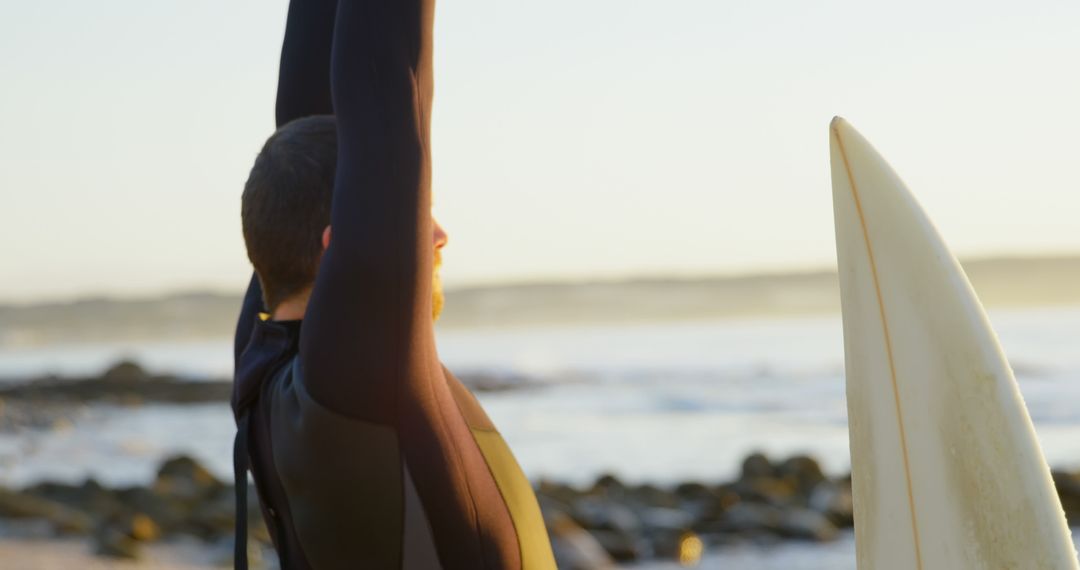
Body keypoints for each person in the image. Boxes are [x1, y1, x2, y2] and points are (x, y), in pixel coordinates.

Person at [231, 0, 557, 568]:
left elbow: (313, 128)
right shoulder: (354, 378)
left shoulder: (271, 364)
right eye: (412, 222)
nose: (436, 235)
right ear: (345, 251)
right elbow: (384, 78)